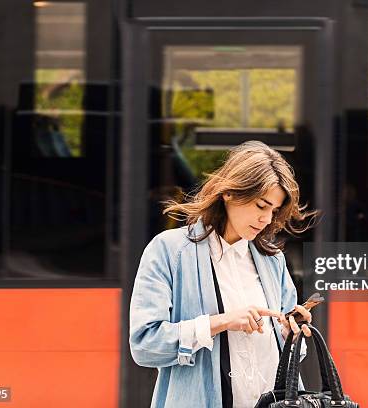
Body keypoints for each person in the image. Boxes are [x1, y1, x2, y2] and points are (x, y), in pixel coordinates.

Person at [129, 141, 319, 408]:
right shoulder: (169, 251)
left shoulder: (273, 260)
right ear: (229, 193)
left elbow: (288, 357)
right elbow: (145, 345)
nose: (266, 219)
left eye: (274, 211)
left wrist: (291, 334)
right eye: (261, 206)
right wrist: (221, 322)